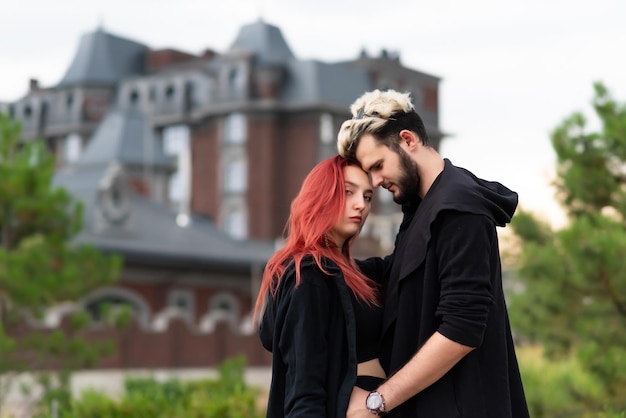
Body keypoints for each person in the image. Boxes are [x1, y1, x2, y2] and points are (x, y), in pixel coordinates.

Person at [336, 89, 530, 417]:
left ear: (408, 140)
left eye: (379, 165)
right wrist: (323, 266)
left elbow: (462, 329)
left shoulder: (459, 208)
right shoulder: (424, 206)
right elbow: (398, 274)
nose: (377, 181)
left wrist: (378, 401)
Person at [254, 155, 389, 417]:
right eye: (348, 191)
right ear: (322, 194)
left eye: (368, 196)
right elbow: (305, 387)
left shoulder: (352, 273)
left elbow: (407, 257)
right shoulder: (310, 275)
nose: (361, 204)